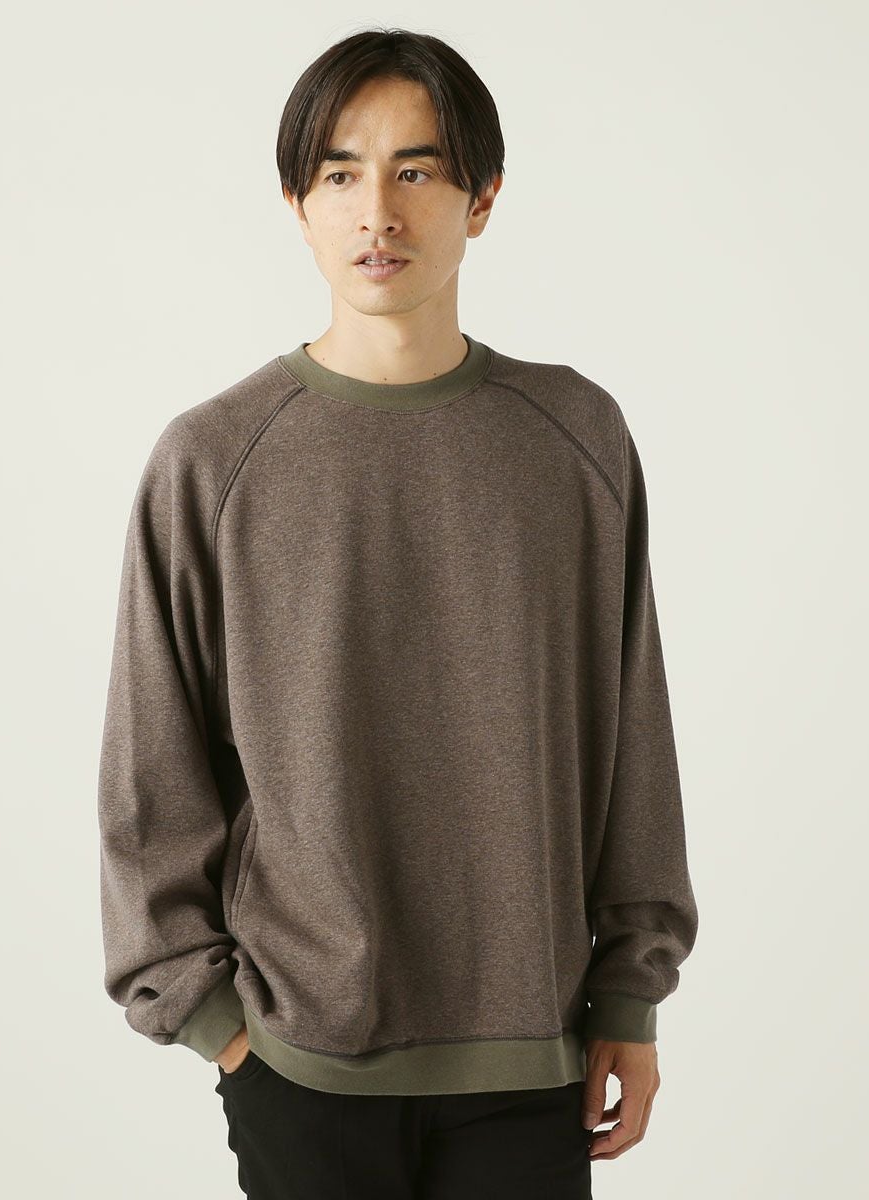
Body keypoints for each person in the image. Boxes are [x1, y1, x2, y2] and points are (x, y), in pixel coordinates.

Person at [97, 26, 699, 1200]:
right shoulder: (211, 461)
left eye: (416, 170)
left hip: (533, 1056)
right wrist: (218, 1024)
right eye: (340, 173)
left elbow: (632, 733)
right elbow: (149, 777)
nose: (377, 210)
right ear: (297, 203)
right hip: (300, 1062)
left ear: (483, 199)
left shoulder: (574, 438)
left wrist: (630, 993)